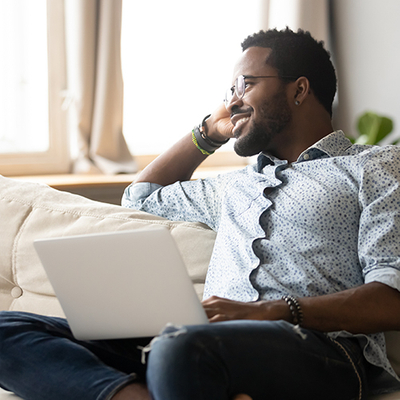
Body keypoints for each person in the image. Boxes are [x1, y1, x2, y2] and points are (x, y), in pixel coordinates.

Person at [1, 27, 400, 400]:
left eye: (246, 84)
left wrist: (267, 311)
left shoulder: (372, 168)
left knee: (182, 347)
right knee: (8, 327)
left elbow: (391, 298)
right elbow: (140, 197)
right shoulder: (234, 186)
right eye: (230, 90)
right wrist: (208, 132)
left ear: (299, 90)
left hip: (322, 350)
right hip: (201, 343)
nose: (233, 101)